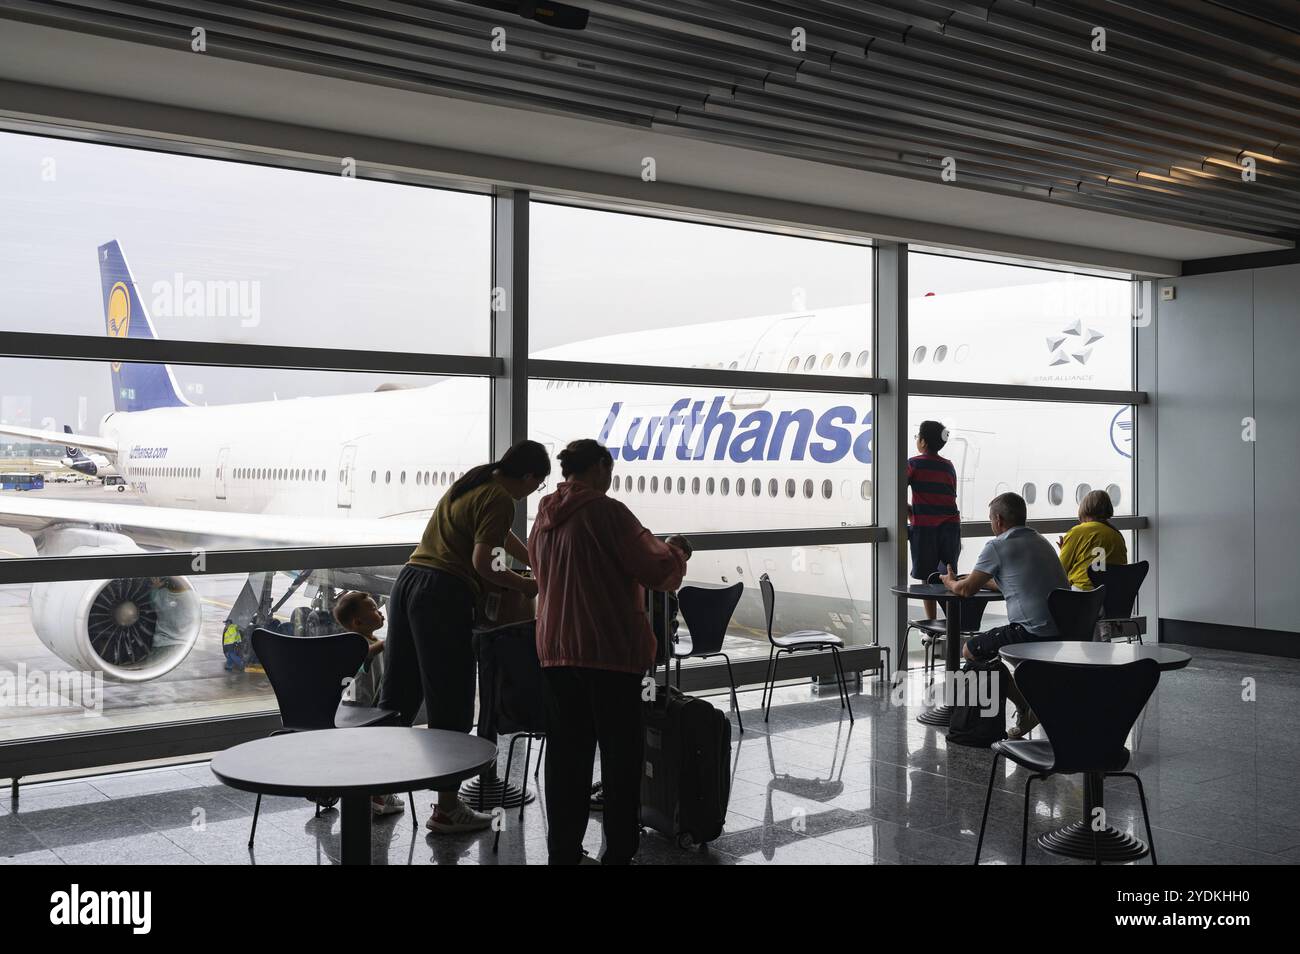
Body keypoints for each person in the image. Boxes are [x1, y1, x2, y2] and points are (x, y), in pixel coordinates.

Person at [529, 439, 688, 865]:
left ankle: (563, 850)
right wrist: (677, 550)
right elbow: (659, 571)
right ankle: (618, 852)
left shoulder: (543, 515)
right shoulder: (607, 512)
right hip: (609, 653)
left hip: (555, 650)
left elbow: (543, 576)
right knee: (621, 758)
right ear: (600, 466)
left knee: (566, 757)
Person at [378, 439, 550, 834]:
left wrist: (535, 562)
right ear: (527, 477)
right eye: (537, 485)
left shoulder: (473, 484)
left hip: (409, 583)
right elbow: (482, 563)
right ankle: (447, 809)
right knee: (451, 701)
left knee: (399, 694)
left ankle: (377, 791)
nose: (532, 494)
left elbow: (497, 539)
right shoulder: (501, 498)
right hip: (443, 594)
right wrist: (526, 587)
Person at [940, 492, 1068, 739]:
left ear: (998, 519)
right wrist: (982, 580)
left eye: (990, 519)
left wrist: (950, 582)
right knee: (988, 654)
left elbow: (965, 591)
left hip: (1031, 632)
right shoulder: (1040, 541)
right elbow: (1015, 582)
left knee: (970, 650)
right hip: (1063, 630)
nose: (990, 525)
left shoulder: (997, 545)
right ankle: (1029, 703)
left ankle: (1025, 706)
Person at [332, 590, 405, 818]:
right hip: (358, 709)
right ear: (357, 622)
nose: (380, 611)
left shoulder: (368, 640)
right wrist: (389, 640)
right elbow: (366, 655)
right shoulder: (358, 644)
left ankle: (375, 793)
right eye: (373, 608)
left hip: (366, 706)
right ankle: (377, 794)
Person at [907, 420, 961, 621]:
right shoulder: (949, 466)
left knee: (927, 578)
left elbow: (896, 488)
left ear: (922, 441)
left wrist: (911, 512)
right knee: (949, 575)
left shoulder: (914, 464)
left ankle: (931, 624)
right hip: (951, 527)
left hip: (926, 529)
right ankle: (952, 621)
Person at [1057, 489, 1127, 589]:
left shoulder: (1077, 532)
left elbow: (1060, 570)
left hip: (1084, 596)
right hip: (1112, 596)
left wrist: (1064, 550)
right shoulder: (1117, 535)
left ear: (1084, 509)